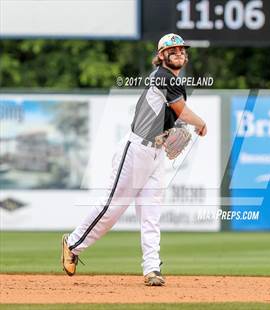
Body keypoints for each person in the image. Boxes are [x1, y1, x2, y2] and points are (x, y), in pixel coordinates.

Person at [61, 33, 207, 286]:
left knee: (151, 214)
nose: (179, 54)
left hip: (155, 154)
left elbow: (170, 114)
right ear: (161, 56)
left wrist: (176, 127)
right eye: (173, 51)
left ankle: (151, 269)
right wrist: (200, 123)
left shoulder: (172, 81)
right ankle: (72, 244)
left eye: (182, 50)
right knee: (113, 207)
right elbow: (181, 110)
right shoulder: (162, 76)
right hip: (136, 150)